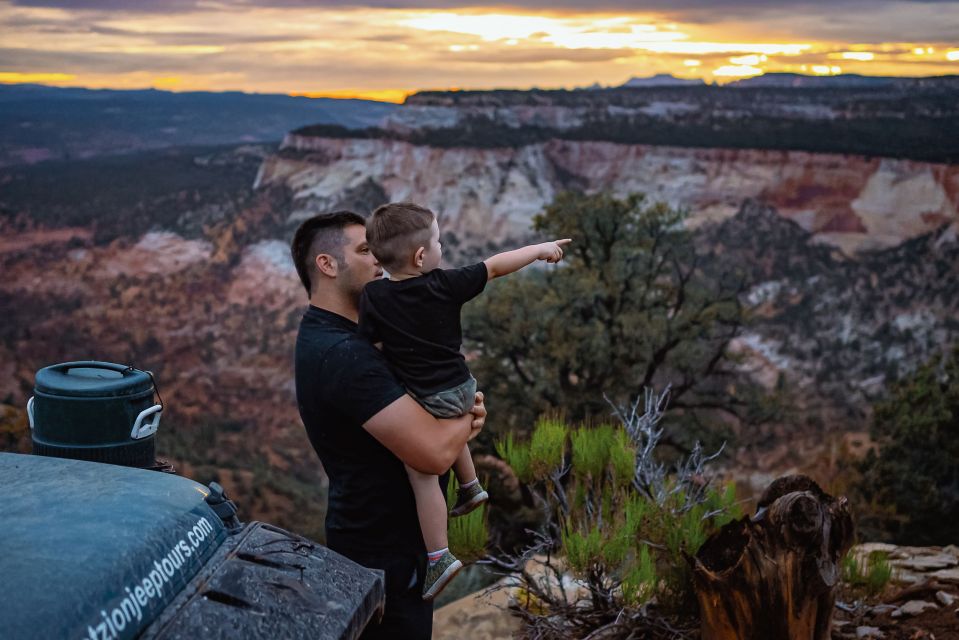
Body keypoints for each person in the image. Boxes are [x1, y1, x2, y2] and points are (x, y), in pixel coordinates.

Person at [290, 211, 487, 640]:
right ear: (327, 265)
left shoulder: (341, 336)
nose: (379, 259)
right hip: (384, 556)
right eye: (365, 250)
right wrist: (466, 416)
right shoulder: (343, 354)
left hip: (376, 543)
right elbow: (433, 454)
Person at [360, 202, 570, 600]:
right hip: (461, 384)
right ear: (422, 256)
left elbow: (371, 344)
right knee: (453, 424)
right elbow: (494, 265)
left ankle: (438, 554)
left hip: (428, 394)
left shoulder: (374, 296)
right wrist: (540, 248)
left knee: (420, 473)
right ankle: (471, 486)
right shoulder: (446, 283)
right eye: (438, 241)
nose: (441, 247)